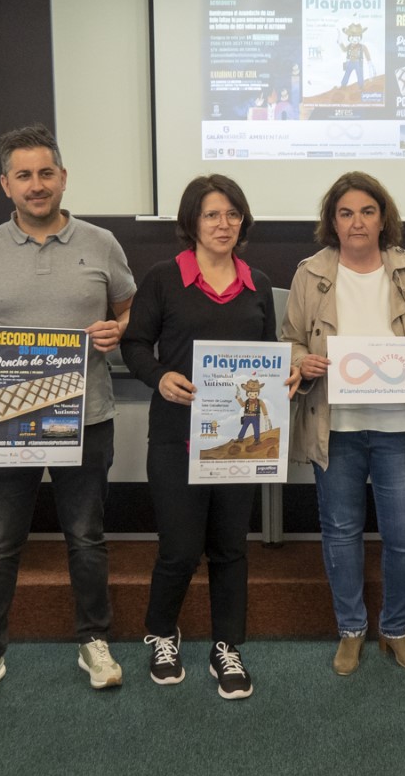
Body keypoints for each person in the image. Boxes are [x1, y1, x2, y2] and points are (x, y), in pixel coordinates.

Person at [0, 124, 136, 708]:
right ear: (5, 184)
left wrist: (116, 330)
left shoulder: (101, 243)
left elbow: (131, 315)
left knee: (87, 538)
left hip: (86, 417)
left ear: (63, 177)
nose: (37, 184)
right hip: (7, 419)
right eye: (23, 175)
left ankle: (93, 642)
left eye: (46, 172)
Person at [122, 175, 295, 700]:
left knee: (229, 548)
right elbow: (133, 343)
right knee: (179, 548)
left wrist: (283, 374)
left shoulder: (258, 282)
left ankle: (227, 646)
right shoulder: (163, 278)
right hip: (177, 437)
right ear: (191, 222)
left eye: (233, 214)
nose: (224, 224)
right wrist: (158, 376)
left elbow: (268, 354)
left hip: (239, 444)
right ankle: (162, 633)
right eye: (212, 215)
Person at [282, 171, 405, 675]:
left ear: (383, 218)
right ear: (332, 222)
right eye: (346, 213)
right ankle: (351, 630)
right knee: (340, 532)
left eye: (367, 211)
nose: (357, 222)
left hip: (400, 425)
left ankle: (395, 629)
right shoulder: (309, 273)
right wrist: (302, 362)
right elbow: (290, 340)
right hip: (336, 428)